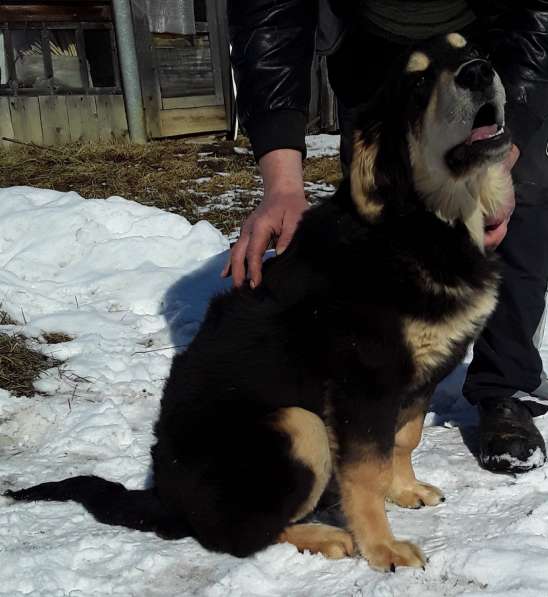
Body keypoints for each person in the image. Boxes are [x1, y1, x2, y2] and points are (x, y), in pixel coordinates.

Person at [225, 1, 548, 473]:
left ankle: (504, 388)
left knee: (522, 195)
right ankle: (368, 390)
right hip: (369, 45)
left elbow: (536, 17)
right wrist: (283, 183)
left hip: (496, 35)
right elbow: (269, 16)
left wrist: (500, 149)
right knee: (375, 220)